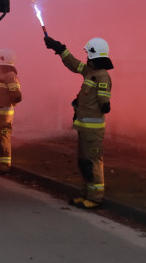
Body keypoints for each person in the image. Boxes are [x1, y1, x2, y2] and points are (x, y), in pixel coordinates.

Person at [43, 35, 113, 208]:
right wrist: (60, 49)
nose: (86, 57)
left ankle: (95, 198)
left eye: (88, 54)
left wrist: (105, 104)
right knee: (84, 162)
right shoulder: (90, 72)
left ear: (95, 54)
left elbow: (104, 100)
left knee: (93, 162)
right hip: (84, 127)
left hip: (93, 130)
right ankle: (85, 194)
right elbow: (74, 64)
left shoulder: (102, 77)